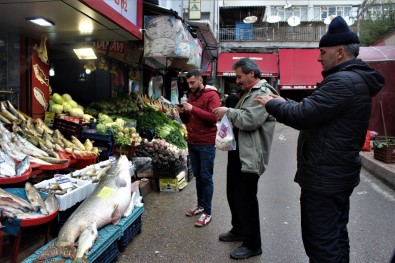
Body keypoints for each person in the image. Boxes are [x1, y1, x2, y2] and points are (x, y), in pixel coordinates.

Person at [254, 16, 385, 263]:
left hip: (326, 179)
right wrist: (286, 103)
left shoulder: (343, 81)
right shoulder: (350, 80)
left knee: (321, 243)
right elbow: (315, 110)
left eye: (322, 52)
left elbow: (303, 115)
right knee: (336, 235)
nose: (318, 57)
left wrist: (272, 103)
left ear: (339, 53)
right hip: (336, 174)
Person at [213, 58, 277, 260]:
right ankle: (238, 229)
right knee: (233, 194)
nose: (237, 80)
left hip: (250, 156)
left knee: (247, 200)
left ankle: (253, 244)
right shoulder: (249, 92)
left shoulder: (263, 93)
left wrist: (228, 111)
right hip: (238, 152)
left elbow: (250, 120)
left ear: (252, 73)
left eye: (240, 76)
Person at [178, 69, 221, 227]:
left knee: (206, 177)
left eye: (192, 82)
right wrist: (182, 112)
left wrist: (193, 109)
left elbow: (213, 117)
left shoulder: (212, 95)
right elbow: (189, 118)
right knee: (197, 176)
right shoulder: (191, 95)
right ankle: (200, 205)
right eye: (188, 83)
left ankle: (207, 213)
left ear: (201, 80)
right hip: (193, 141)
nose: (190, 86)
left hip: (206, 143)